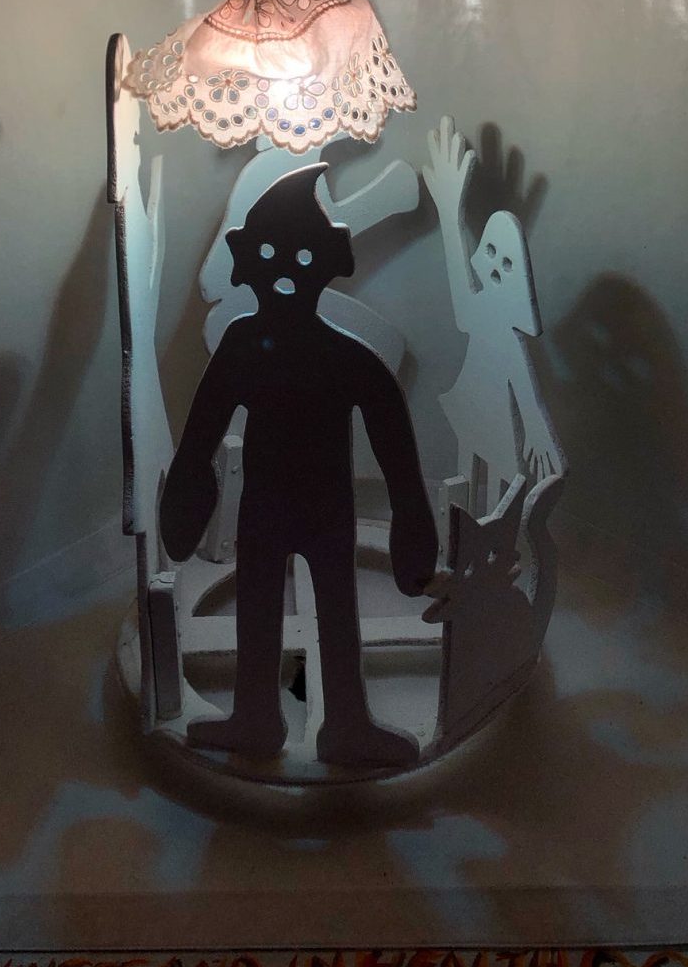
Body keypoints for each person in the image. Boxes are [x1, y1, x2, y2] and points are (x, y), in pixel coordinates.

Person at [161, 164, 437, 767]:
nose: (285, 271)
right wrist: (187, 485)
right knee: (258, 607)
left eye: (303, 257)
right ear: (244, 259)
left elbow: (392, 435)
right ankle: (256, 716)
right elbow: (202, 430)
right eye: (268, 255)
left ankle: (346, 724)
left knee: (336, 611)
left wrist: (411, 516)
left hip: (324, 512)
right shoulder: (244, 345)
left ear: (332, 259)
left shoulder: (346, 357)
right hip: (266, 512)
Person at [423, 116, 564, 516]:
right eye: (490, 253)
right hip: (472, 407)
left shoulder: (507, 334)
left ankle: (489, 539)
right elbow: (459, 289)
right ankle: (461, 535)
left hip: (500, 421)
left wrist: (536, 429)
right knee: (465, 478)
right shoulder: (478, 310)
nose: (496, 268)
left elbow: (523, 385)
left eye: (506, 262)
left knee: (500, 493)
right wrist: (449, 215)